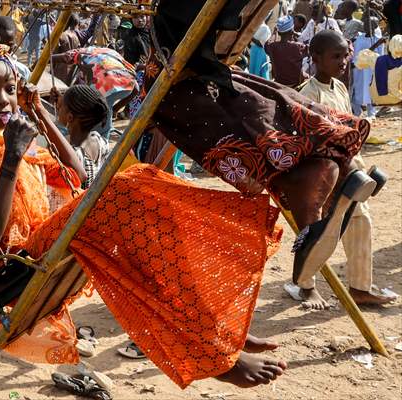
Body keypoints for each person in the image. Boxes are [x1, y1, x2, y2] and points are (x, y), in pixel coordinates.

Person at [0, 40, 287, 390]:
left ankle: (215, 332)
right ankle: (210, 347)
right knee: (122, 188)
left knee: (144, 203)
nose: (3, 99)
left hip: (41, 247)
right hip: (11, 271)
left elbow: (76, 176)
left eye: (9, 90)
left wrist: (39, 114)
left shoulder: (10, 139)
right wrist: (11, 160)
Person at [144, 0, 377, 288]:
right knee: (259, 104)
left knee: (225, 121)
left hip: (181, 74)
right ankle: (341, 168)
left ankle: (310, 180)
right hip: (200, 67)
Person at [298, 30, 396, 308]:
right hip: (325, 176)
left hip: (350, 173)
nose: (343, 61)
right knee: (318, 232)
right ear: (316, 58)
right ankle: (306, 286)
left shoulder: (340, 87)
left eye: (345, 55)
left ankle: (359, 287)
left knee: (360, 223)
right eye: (335, 56)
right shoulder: (308, 94)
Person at [52, 46, 138, 138]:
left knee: (84, 114)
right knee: (106, 110)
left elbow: (65, 57)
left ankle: (66, 137)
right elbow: (136, 88)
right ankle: (103, 141)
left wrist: (45, 59)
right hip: (127, 85)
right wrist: (116, 109)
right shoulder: (109, 52)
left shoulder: (80, 54)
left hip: (105, 85)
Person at [53, 84, 110, 189]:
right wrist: (63, 102)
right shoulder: (99, 140)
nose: (58, 108)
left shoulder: (73, 156)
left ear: (70, 117)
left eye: (60, 108)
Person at [351, 16, 385, 118]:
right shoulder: (359, 38)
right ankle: (356, 112)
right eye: (365, 23)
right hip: (359, 68)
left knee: (371, 91)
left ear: (375, 26)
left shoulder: (379, 40)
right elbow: (359, 53)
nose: (366, 26)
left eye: (369, 24)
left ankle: (371, 114)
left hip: (371, 69)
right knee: (357, 90)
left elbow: (380, 56)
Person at [266, 15, 308, 87]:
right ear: (292, 31)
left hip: (278, 82)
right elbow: (308, 50)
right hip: (294, 85)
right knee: (307, 76)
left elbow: (268, 43)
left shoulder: (272, 46)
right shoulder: (298, 47)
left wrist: (274, 32)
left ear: (279, 33)